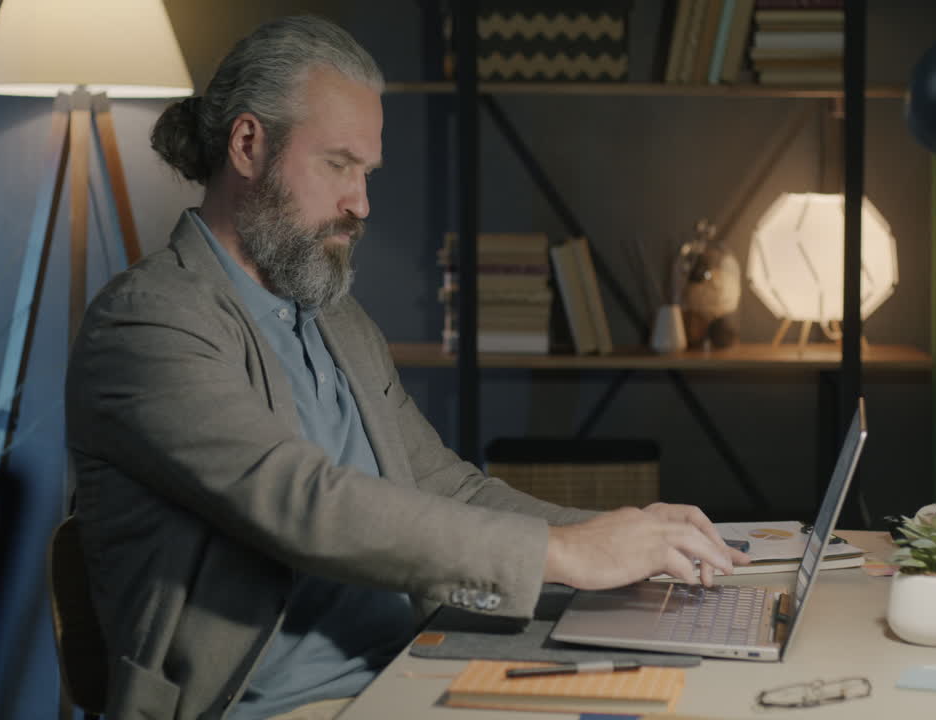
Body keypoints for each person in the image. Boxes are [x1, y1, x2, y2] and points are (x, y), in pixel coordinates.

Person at [64, 15, 749, 720]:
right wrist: (566, 554)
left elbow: (442, 484)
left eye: (366, 171)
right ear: (247, 145)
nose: (361, 202)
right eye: (337, 164)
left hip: (415, 665)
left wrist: (626, 536)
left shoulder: (333, 318)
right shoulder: (148, 322)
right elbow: (305, 502)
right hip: (279, 707)